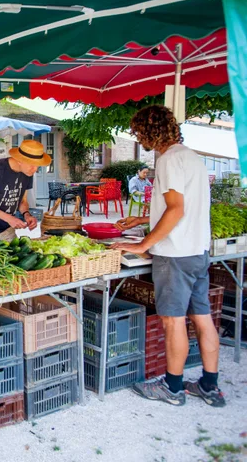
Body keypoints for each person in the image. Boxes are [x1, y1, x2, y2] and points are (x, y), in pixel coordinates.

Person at [113, 105, 223, 407]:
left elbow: (176, 209)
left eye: (138, 132)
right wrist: (143, 219)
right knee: (202, 318)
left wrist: (141, 244)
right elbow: (179, 207)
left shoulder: (169, 160)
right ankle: (209, 386)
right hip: (198, 250)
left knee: (173, 322)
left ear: (150, 132)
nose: (137, 137)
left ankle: (172, 388)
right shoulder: (192, 157)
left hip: (175, 255)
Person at [0, 139, 49, 243]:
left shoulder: (28, 173)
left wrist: (26, 214)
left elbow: (22, 201)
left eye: (37, 165)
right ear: (20, 160)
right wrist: (9, 218)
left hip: (7, 228)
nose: (35, 169)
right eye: (32, 164)